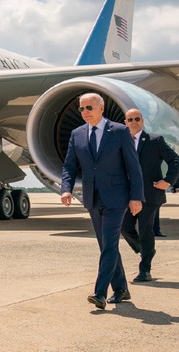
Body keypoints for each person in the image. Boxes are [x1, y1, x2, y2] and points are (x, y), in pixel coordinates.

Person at [60, 93, 144, 309]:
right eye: (81, 109)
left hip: (117, 197)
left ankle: (100, 293)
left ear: (101, 108)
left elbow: (133, 167)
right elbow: (69, 166)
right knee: (107, 245)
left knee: (109, 242)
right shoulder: (77, 134)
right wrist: (66, 189)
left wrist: (136, 196)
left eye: (89, 107)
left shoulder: (119, 131)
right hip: (93, 197)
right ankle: (121, 289)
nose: (85, 112)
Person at [120, 108, 179, 282]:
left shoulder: (155, 140)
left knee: (146, 231)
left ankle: (145, 270)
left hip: (150, 194)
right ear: (125, 122)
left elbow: (175, 160)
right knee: (124, 227)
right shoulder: (121, 142)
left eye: (136, 119)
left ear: (142, 120)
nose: (133, 122)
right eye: (130, 119)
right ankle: (146, 250)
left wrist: (168, 181)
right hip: (127, 196)